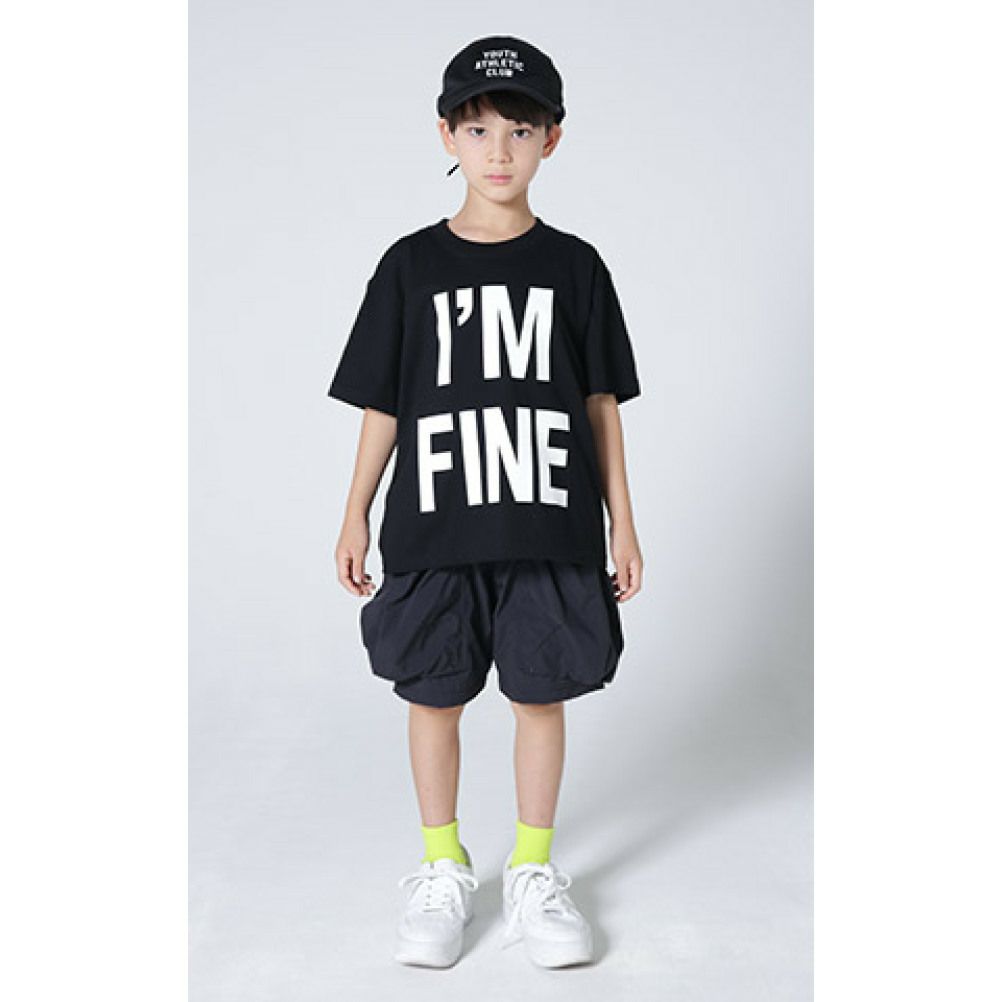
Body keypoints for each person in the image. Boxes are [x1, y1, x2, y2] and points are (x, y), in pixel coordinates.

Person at [327, 34, 644, 969]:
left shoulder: (576, 267)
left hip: (548, 520)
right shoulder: (409, 266)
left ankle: (534, 871)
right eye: (477, 130)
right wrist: (354, 509)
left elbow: (600, 405)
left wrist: (624, 522)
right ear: (446, 136)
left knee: (540, 694)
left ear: (552, 139)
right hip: (435, 522)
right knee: (434, 696)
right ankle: (443, 865)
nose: (498, 151)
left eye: (519, 130)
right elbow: (385, 401)